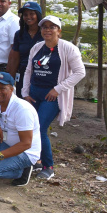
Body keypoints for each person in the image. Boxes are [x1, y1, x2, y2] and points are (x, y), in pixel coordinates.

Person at [21, 15, 86, 180]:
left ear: (59, 31)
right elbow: (29, 71)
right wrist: (25, 93)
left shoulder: (68, 49)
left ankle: (48, 166)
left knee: (40, 128)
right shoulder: (37, 47)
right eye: (44, 27)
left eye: (52, 27)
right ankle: (35, 159)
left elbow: (80, 72)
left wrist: (58, 89)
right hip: (34, 93)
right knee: (28, 127)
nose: (47, 30)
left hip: (52, 96)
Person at [8, 1, 44, 97]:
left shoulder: (45, 33)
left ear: (38, 15)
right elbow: (14, 58)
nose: (28, 17)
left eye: (32, 14)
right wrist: (9, 80)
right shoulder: (19, 34)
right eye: (25, 15)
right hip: (23, 74)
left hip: (41, 74)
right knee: (22, 100)